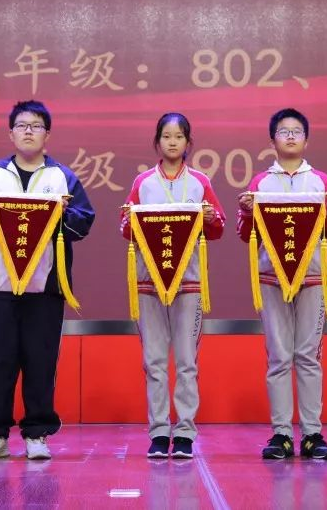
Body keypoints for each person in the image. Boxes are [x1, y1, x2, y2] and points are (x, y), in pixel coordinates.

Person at [0, 100, 95, 461]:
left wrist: (61, 214)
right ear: (10, 133)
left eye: (36, 126)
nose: (28, 131)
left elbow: (84, 222)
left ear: (47, 134)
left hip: (45, 286)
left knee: (40, 361)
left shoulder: (62, 177)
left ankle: (37, 433)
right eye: (21, 125)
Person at [238, 108, 327, 460]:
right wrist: (246, 213)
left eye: (296, 131)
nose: (289, 136)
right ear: (272, 140)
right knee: (279, 356)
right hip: (272, 278)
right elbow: (245, 234)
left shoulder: (320, 181)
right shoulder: (261, 183)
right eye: (283, 131)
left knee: (308, 356)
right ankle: (282, 433)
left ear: (306, 140)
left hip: (313, 277)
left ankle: (312, 433)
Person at [120, 112, 226, 459]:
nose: (172, 142)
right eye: (166, 136)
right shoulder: (143, 183)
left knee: (185, 361)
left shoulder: (199, 182)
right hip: (148, 282)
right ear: (157, 141)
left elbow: (218, 226)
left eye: (179, 136)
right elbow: (126, 228)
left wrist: (210, 218)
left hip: (188, 282)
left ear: (188, 142)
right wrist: (128, 219)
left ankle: (184, 432)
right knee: (153, 361)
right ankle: (158, 431)